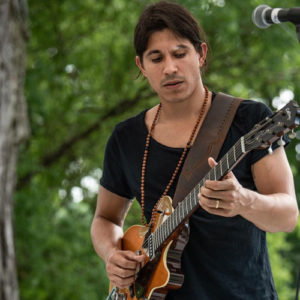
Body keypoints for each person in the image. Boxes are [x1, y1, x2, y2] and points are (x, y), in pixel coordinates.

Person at [90, 1, 299, 299]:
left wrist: (243, 201)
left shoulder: (249, 120)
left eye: (179, 53)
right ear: (141, 66)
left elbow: (288, 216)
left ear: (200, 54)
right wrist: (112, 253)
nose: (170, 68)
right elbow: (105, 219)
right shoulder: (126, 138)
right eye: (156, 58)